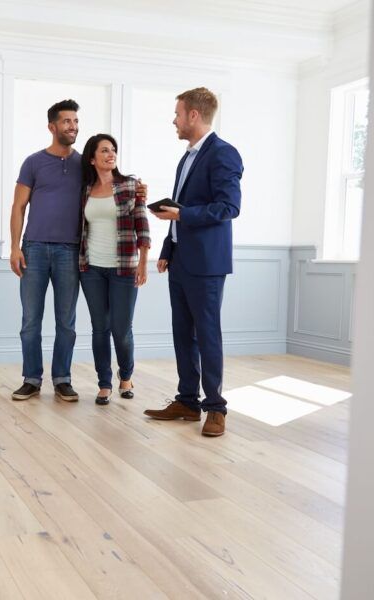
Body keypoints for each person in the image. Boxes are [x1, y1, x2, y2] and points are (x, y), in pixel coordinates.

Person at [9, 100, 147, 403]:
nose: (73, 126)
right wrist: (15, 247)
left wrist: (139, 190)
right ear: (52, 126)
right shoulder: (33, 162)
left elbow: (112, 186)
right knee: (30, 320)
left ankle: (62, 379)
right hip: (33, 248)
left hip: (70, 252)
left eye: (75, 121)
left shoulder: (83, 165)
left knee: (66, 321)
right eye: (67, 121)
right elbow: (18, 206)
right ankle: (31, 379)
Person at [143, 87, 243, 437]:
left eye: (178, 114)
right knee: (183, 334)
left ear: (194, 116)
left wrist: (182, 216)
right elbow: (181, 210)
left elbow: (228, 207)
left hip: (207, 263)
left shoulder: (223, 154)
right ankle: (187, 400)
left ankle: (215, 407)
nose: (174, 120)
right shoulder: (186, 157)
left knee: (207, 334)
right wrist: (168, 250)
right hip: (181, 260)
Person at [78, 134, 150, 405]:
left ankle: (126, 376)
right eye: (104, 151)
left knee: (121, 329)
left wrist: (143, 263)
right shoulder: (84, 190)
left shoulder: (130, 186)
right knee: (100, 328)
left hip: (124, 268)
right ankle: (104, 383)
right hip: (91, 268)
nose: (111, 154)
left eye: (113, 150)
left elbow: (142, 226)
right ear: (92, 158)